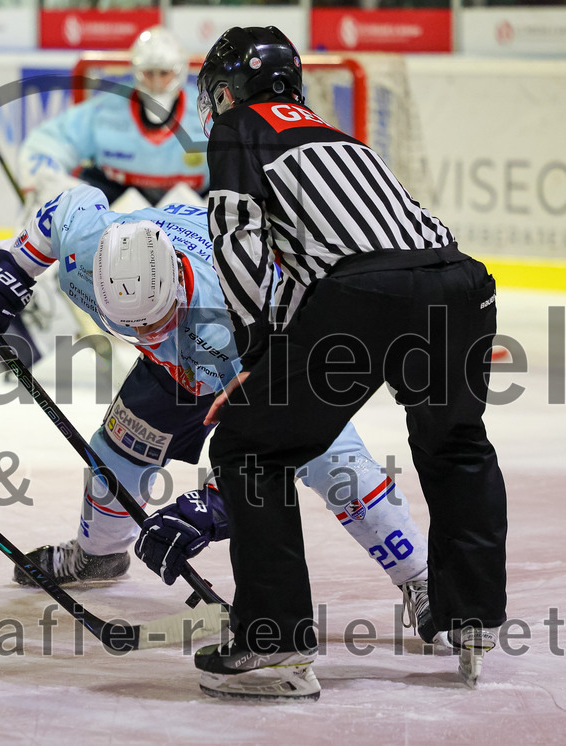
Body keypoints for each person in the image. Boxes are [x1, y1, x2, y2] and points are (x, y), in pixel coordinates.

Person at [135, 26, 507, 701]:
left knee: (250, 446)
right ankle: (471, 619)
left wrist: (257, 356)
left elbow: (240, 240)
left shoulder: (240, 129)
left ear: (227, 89)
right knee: (457, 445)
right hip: (459, 284)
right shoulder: (341, 138)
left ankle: (274, 645)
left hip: (369, 296)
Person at [0, 183, 435, 644]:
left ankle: (425, 579)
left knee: (338, 468)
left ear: (178, 281)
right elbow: (72, 205)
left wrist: (213, 507)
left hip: (270, 360)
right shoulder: (88, 255)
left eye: (157, 321)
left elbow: (274, 437)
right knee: (113, 456)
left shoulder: (234, 314)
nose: (148, 334)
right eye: (132, 327)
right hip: (178, 368)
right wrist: (8, 269)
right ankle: (99, 556)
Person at [18, 26, 208, 218]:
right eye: (149, 73)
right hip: (113, 215)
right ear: (137, 72)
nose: (157, 82)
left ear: (180, 72)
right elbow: (46, 143)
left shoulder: (206, 115)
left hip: (191, 217)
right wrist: (51, 184)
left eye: (164, 73)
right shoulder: (105, 111)